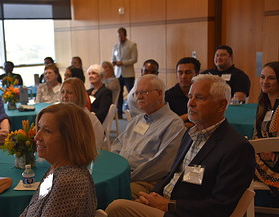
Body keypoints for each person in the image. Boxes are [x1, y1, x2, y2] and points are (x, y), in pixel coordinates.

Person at [106, 74, 255, 217]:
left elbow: (220, 206)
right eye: (190, 97)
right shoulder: (191, 134)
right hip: (166, 201)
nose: (191, 103)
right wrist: (150, 197)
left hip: (183, 212)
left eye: (199, 97)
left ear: (221, 105)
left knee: (116, 208)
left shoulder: (237, 148)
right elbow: (171, 175)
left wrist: (168, 205)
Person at [111, 74, 186, 199]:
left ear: (159, 93)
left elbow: (161, 166)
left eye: (143, 92)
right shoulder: (137, 120)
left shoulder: (174, 124)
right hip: (123, 173)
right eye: (136, 93)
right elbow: (118, 145)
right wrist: (114, 170)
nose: (138, 97)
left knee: (111, 193)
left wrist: (124, 178)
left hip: (146, 181)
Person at [20, 103, 97, 217]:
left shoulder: (68, 181)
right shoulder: (56, 170)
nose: (37, 137)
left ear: (69, 139)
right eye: (39, 128)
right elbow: (31, 210)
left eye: (47, 131)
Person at [253, 61, 279, 201]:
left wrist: (272, 151)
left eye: (271, 78)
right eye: (262, 77)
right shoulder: (263, 104)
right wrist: (261, 148)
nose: (265, 81)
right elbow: (256, 133)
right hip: (262, 157)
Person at [60, 78, 104, 149]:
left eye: (69, 92)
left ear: (79, 95)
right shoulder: (64, 114)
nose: (64, 96)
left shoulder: (88, 119)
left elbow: (93, 148)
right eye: (62, 92)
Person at [165, 57, 200, 128]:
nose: (183, 76)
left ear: (197, 74)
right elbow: (165, 124)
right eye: (180, 73)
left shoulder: (203, 95)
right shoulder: (167, 96)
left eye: (188, 72)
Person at [111, 27, 138, 118]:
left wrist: (123, 63)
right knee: (118, 94)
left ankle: (133, 112)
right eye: (118, 36)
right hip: (118, 73)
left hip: (128, 74)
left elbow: (134, 59)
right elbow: (113, 58)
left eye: (121, 36)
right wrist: (113, 62)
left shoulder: (132, 45)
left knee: (131, 94)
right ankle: (119, 113)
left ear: (125, 35)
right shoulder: (115, 46)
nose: (120, 38)